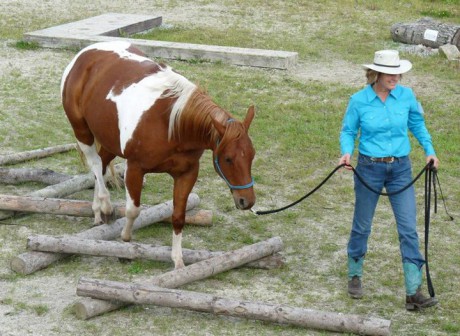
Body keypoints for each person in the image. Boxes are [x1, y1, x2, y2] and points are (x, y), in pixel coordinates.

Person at [338, 50, 439, 311]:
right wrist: (346, 152)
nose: (396, 77)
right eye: (390, 73)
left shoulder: (406, 96)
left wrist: (429, 150)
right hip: (369, 168)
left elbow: (417, 124)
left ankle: (413, 292)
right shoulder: (359, 100)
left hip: (401, 170)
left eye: (398, 72)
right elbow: (349, 130)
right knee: (362, 224)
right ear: (376, 73)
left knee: (408, 228)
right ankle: (355, 275)